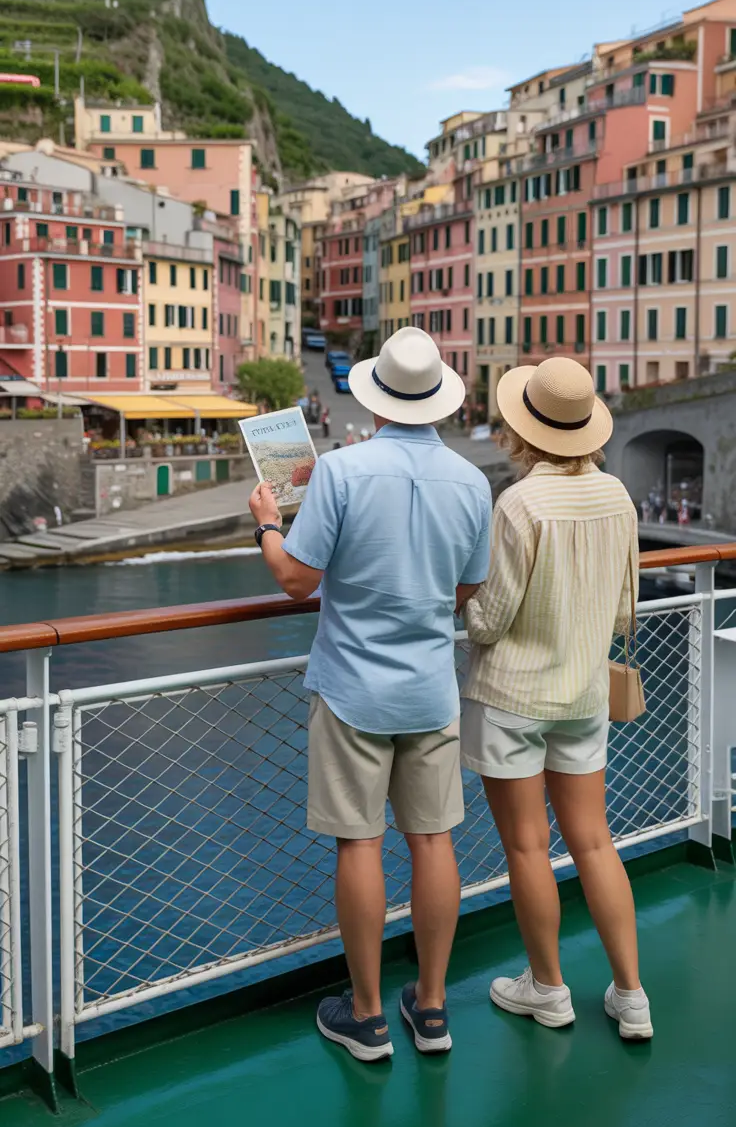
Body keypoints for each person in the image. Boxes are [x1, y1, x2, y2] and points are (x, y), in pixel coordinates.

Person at [249, 327, 491, 1061]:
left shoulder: (343, 472)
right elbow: (467, 590)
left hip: (353, 686)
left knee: (361, 842)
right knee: (433, 839)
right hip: (429, 689)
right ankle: (434, 1006)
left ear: (376, 397)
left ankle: (366, 1015)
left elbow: (297, 578)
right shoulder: (474, 482)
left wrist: (265, 521)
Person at [460, 357, 653, 1042]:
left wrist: (462, 601)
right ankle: (631, 996)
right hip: (583, 692)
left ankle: (547, 989)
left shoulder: (518, 504)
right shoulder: (618, 497)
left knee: (527, 847)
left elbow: (489, 620)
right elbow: (625, 612)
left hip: (514, 696)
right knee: (596, 842)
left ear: (523, 429)